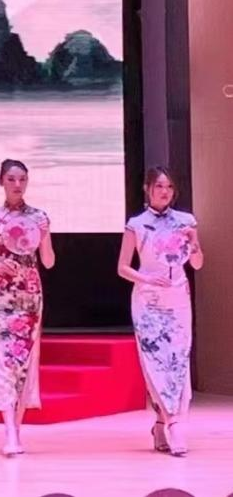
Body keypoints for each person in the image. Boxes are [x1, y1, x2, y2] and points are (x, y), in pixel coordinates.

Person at [116, 166, 204, 456]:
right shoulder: (137, 224)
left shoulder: (185, 221)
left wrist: (194, 243)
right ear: (148, 189)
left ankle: (160, 424)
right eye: (159, 186)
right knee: (156, 363)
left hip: (178, 298)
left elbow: (197, 264)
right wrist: (147, 279)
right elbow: (123, 267)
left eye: (169, 187)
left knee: (177, 361)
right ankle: (173, 423)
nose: (164, 192)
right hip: (148, 301)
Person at [0, 158, 56, 456]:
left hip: (29, 295)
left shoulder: (39, 217)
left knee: (23, 363)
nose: (17, 184)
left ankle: (16, 430)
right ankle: (8, 430)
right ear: (1, 182)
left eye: (22, 179)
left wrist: (44, 234)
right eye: (11, 179)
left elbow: (48, 262)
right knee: (0, 361)